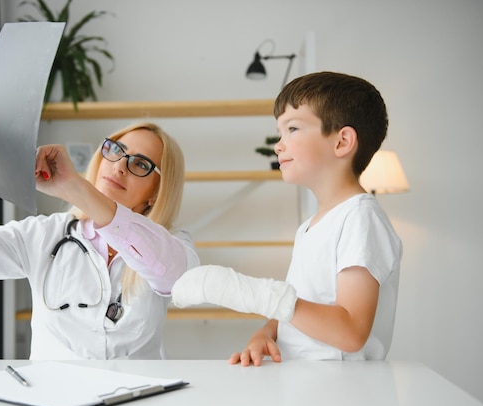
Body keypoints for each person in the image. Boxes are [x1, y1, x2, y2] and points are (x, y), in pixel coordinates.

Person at [0, 92, 200, 360]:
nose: (120, 166)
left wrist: (76, 189)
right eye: (116, 150)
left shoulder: (170, 243)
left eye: (140, 164)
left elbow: (174, 277)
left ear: (156, 191)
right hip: (54, 403)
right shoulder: (43, 236)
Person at [172, 71, 402, 365]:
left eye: (292, 129)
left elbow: (351, 332)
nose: (279, 145)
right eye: (280, 133)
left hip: (345, 391)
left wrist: (253, 294)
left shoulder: (361, 218)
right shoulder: (310, 226)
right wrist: (267, 332)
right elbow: (300, 307)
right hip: (305, 383)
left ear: (342, 141)